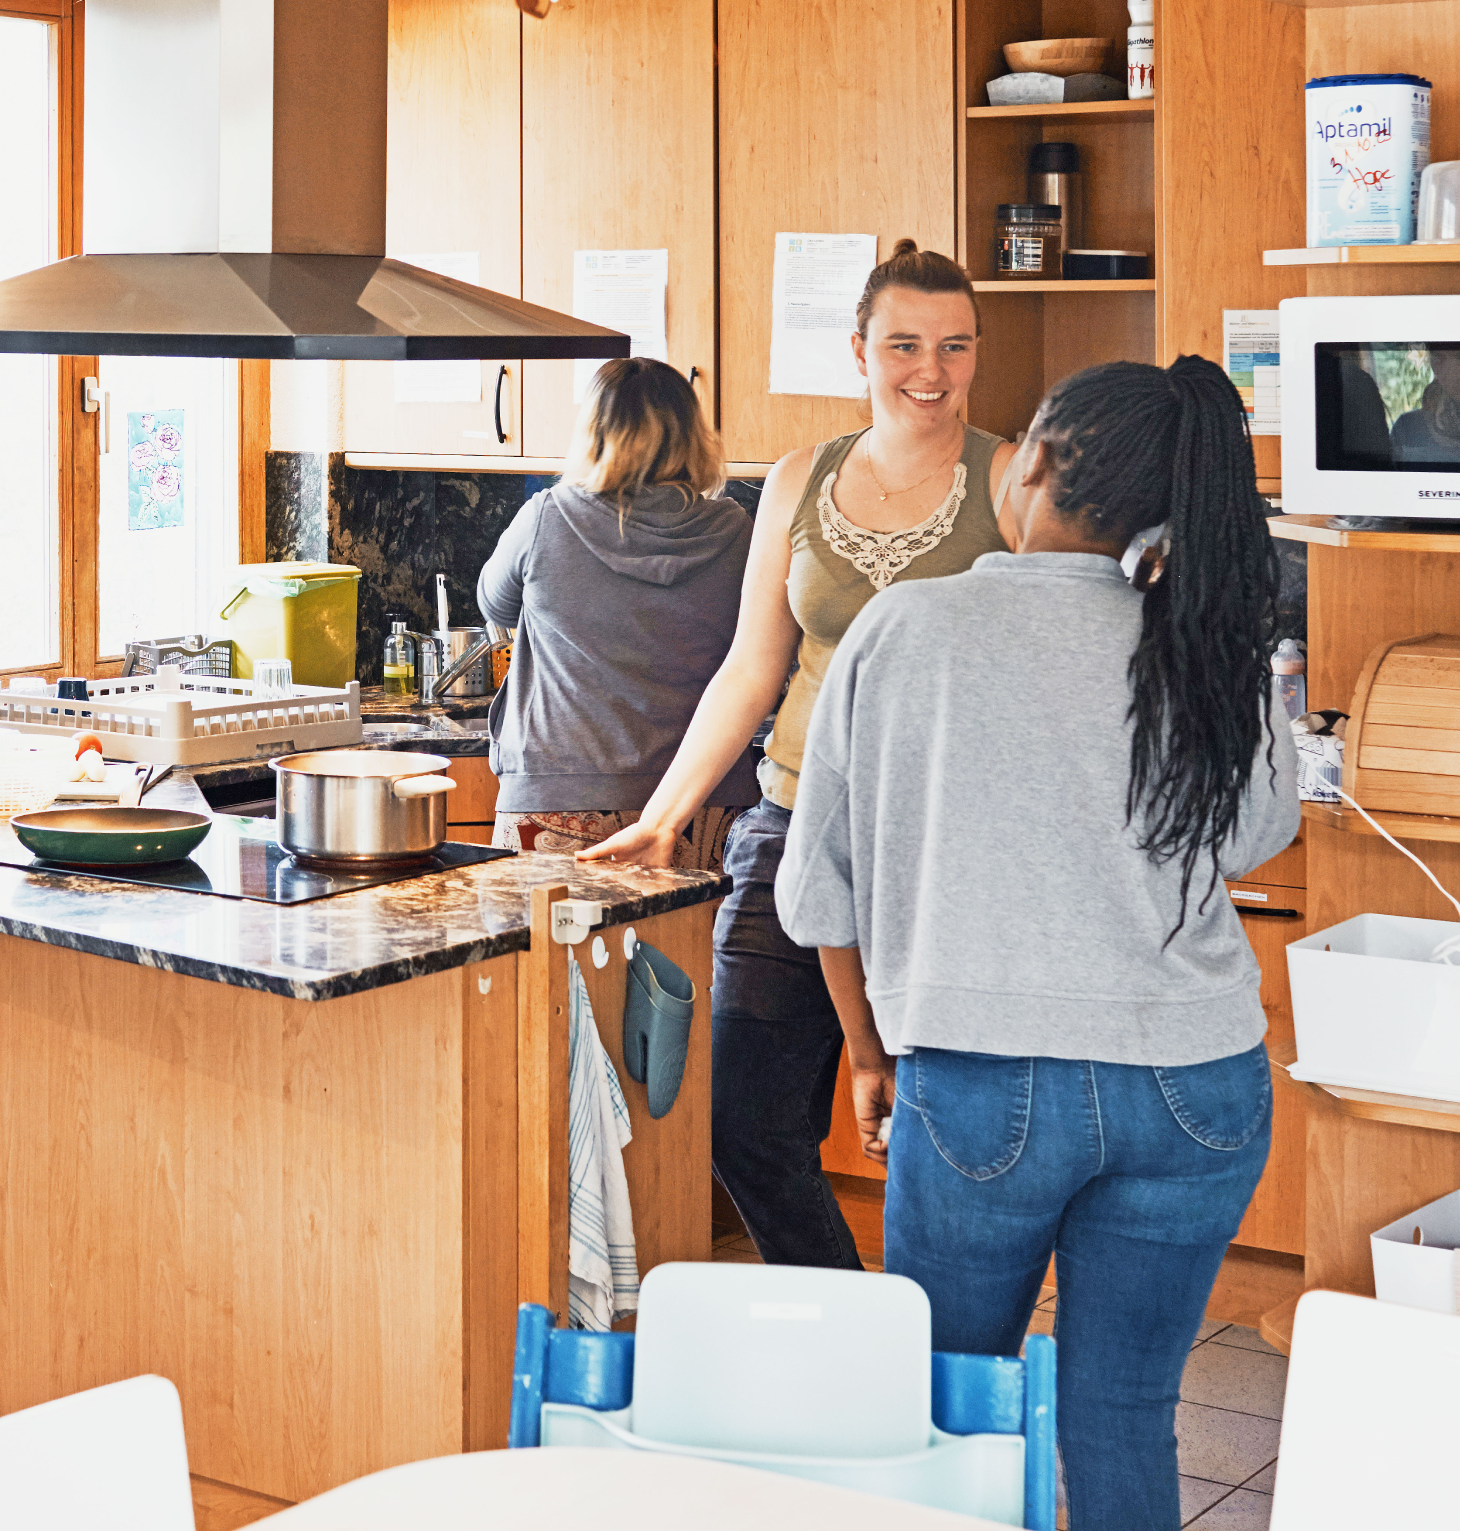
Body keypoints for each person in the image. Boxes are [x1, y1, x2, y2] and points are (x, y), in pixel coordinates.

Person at [776, 355, 1297, 1531]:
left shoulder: (908, 627)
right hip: (1197, 1088)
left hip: (980, 1075)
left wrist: (865, 1053)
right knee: (1123, 1411)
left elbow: (819, 891)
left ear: (1036, 465)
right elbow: (1257, 833)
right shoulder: (1206, 648)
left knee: (952, 1412)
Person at [580, 241, 1016, 1270]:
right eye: (904, 344)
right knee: (744, 1123)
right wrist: (665, 814)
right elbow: (750, 666)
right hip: (788, 827)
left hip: (942, 849)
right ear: (857, 350)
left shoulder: (1011, 478)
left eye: (954, 347)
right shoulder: (797, 480)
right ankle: (857, 1324)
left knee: (938, 1129)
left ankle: (933, 1353)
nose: (930, 371)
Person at [477, 357, 755, 863]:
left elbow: (495, 603)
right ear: (694, 436)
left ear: (592, 433)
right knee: (684, 943)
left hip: (559, 797)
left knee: (548, 944)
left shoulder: (548, 516)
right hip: (703, 799)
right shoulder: (737, 530)